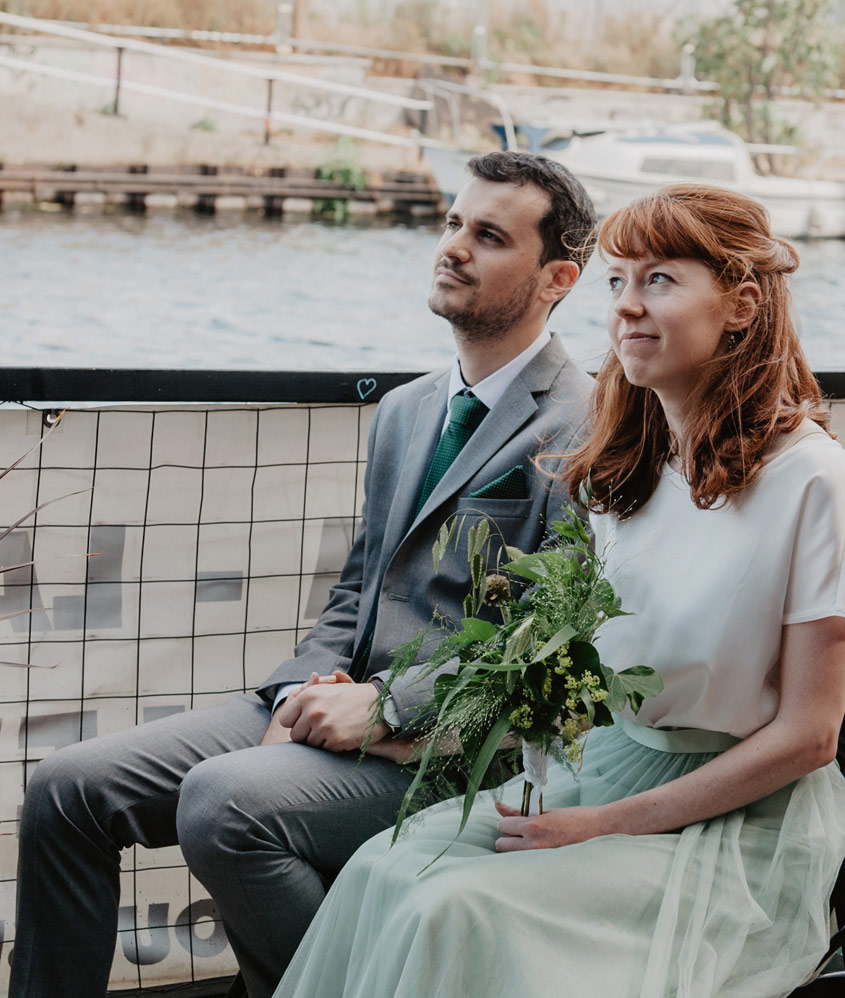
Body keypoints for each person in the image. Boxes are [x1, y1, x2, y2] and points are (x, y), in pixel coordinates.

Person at [9, 151, 597, 998]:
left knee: (221, 800)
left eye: (490, 236)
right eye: (453, 224)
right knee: (66, 790)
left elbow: (545, 652)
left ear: (558, 278)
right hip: (331, 699)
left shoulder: (590, 426)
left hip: (458, 745)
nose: (455, 247)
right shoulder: (407, 410)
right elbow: (359, 590)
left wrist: (383, 710)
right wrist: (296, 696)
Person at [270, 183, 845, 998]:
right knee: (384, 869)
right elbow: (574, 684)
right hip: (604, 769)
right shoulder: (630, 464)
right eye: (617, 282)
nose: (625, 307)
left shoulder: (809, 477)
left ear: (742, 304)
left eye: (660, 280)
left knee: (454, 910)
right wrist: (401, 726)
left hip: (737, 824)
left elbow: (809, 736)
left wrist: (598, 826)